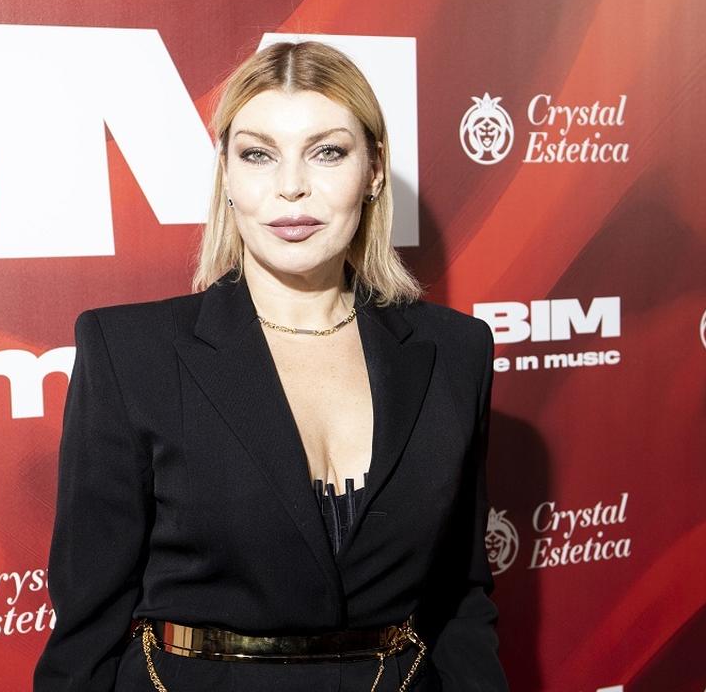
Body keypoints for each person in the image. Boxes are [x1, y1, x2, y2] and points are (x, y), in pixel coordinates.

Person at [34, 40, 506, 692]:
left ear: (373, 171)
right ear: (227, 175)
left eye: (327, 152)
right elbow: (86, 632)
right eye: (259, 154)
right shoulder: (130, 353)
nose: (291, 186)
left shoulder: (457, 351)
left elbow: (459, 597)